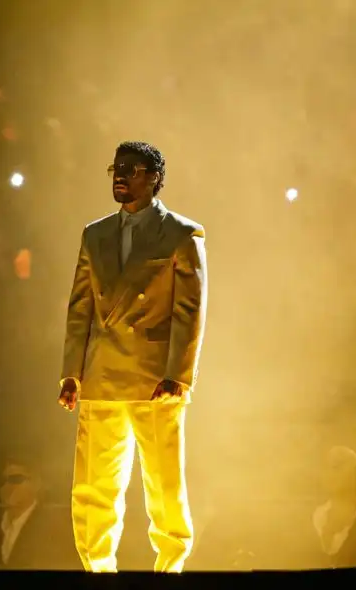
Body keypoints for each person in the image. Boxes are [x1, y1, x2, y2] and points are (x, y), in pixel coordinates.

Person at [58, 141, 207, 573]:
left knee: (163, 482)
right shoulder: (95, 233)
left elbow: (190, 311)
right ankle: (97, 570)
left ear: (155, 178)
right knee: (94, 486)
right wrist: (72, 373)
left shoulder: (182, 233)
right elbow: (79, 307)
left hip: (154, 377)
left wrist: (178, 375)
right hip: (102, 372)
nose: (121, 176)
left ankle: (171, 568)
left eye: (132, 169)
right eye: (116, 168)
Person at [0, 453, 80, 569]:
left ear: (36, 483)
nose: (7, 486)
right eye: (2, 481)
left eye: (16, 479)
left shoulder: (55, 526)